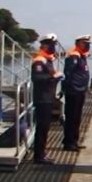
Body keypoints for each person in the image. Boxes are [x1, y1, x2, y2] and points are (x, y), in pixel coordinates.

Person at [31, 33, 63, 164]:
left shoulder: (48, 60)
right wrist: (54, 77)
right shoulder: (39, 60)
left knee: (45, 127)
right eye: (51, 45)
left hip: (48, 97)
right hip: (42, 98)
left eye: (54, 45)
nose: (53, 47)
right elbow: (37, 78)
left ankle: (42, 153)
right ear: (44, 45)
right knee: (42, 127)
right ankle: (39, 156)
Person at [61, 34, 91, 151]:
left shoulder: (81, 56)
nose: (87, 46)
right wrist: (67, 88)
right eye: (85, 43)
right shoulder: (74, 55)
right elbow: (68, 73)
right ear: (78, 43)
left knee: (77, 118)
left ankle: (74, 140)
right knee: (71, 117)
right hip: (73, 91)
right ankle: (69, 143)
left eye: (88, 44)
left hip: (80, 90)